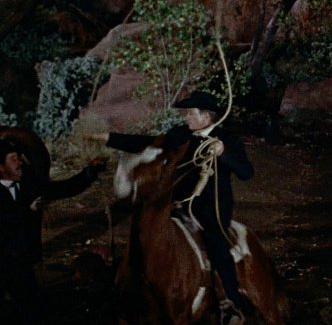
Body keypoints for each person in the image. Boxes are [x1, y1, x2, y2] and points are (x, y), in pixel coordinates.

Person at [92, 90, 253, 325]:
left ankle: (231, 302)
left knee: (217, 242)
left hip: (211, 208)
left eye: (190, 113)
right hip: (177, 203)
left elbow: (246, 173)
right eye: (186, 113)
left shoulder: (227, 140)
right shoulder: (180, 135)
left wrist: (223, 153)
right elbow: (148, 143)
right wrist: (108, 138)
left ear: (206, 116)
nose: (186, 117)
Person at [0, 137, 105, 325]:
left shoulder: (27, 183)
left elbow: (62, 189)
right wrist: (27, 212)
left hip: (20, 262)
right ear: (1, 167)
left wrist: (90, 172)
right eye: (13, 159)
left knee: (30, 310)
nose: (20, 162)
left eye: (19, 157)